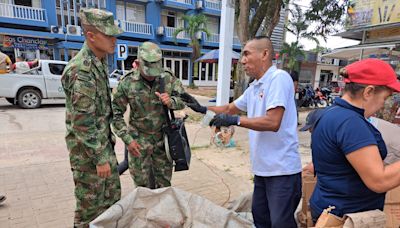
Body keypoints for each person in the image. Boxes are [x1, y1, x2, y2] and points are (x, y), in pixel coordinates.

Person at [186, 36, 302, 227]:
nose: (242, 60)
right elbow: (230, 109)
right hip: (263, 170)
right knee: (261, 218)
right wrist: (201, 109)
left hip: (282, 172)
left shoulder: (278, 79)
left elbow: (273, 122)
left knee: (280, 223)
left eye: (247, 54)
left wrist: (236, 121)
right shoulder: (254, 87)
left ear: (265, 54)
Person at [309, 59, 400, 222]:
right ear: (368, 92)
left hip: (328, 207)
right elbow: (379, 180)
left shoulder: (329, 114)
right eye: (385, 98)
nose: (383, 104)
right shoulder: (351, 123)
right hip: (346, 217)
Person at [61, 8, 123, 228]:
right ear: (91, 36)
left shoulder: (99, 61)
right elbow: (82, 122)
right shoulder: (82, 70)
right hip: (89, 156)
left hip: (102, 148)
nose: (114, 39)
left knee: (111, 203)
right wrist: (99, 158)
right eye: (109, 35)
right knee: (89, 211)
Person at [112, 41, 186, 189]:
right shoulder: (127, 83)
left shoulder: (168, 78)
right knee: (141, 187)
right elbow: (115, 113)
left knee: (164, 185)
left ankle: (162, 211)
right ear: (138, 64)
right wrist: (128, 140)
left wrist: (171, 102)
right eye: (148, 71)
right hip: (138, 142)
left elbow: (184, 100)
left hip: (162, 141)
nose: (152, 76)